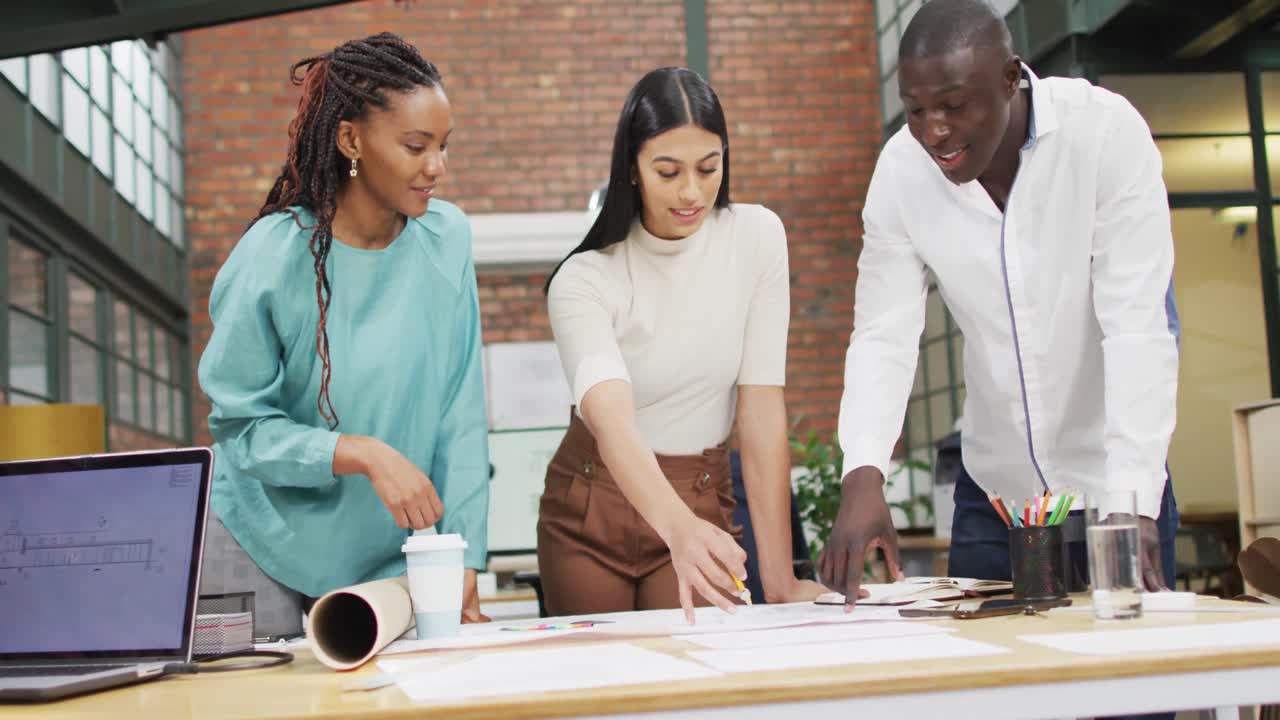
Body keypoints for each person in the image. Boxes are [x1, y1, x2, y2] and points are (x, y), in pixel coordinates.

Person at [823, 0, 1180, 609]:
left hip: (1115, 490)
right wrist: (863, 471)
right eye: (915, 110)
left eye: (954, 106)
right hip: (996, 498)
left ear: (1011, 79)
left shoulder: (1104, 134)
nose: (933, 130)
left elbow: (1137, 327)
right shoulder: (901, 174)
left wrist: (1132, 500)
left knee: (1132, 693)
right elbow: (883, 333)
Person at [197, 32, 490, 638]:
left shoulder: (447, 239)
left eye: (443, 146)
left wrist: (464, 549)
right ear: (351, 139)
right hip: (260, 544)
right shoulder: (271, 257)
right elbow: (241, 426)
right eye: (416, 146)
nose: (437, 166)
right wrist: (361, 453)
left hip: (391, 565)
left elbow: (461, 410)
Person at [540, 67, 826, 623]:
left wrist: (781, 579)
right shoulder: (584, 280)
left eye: (708, 167)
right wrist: (675, 525)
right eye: (667, 172)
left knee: (703, 679)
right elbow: (612, 420)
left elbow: (762, 410)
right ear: (632, 168)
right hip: (590, 513)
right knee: (609, 695)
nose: (691, 192)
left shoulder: (757, 239)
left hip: (700, 498)